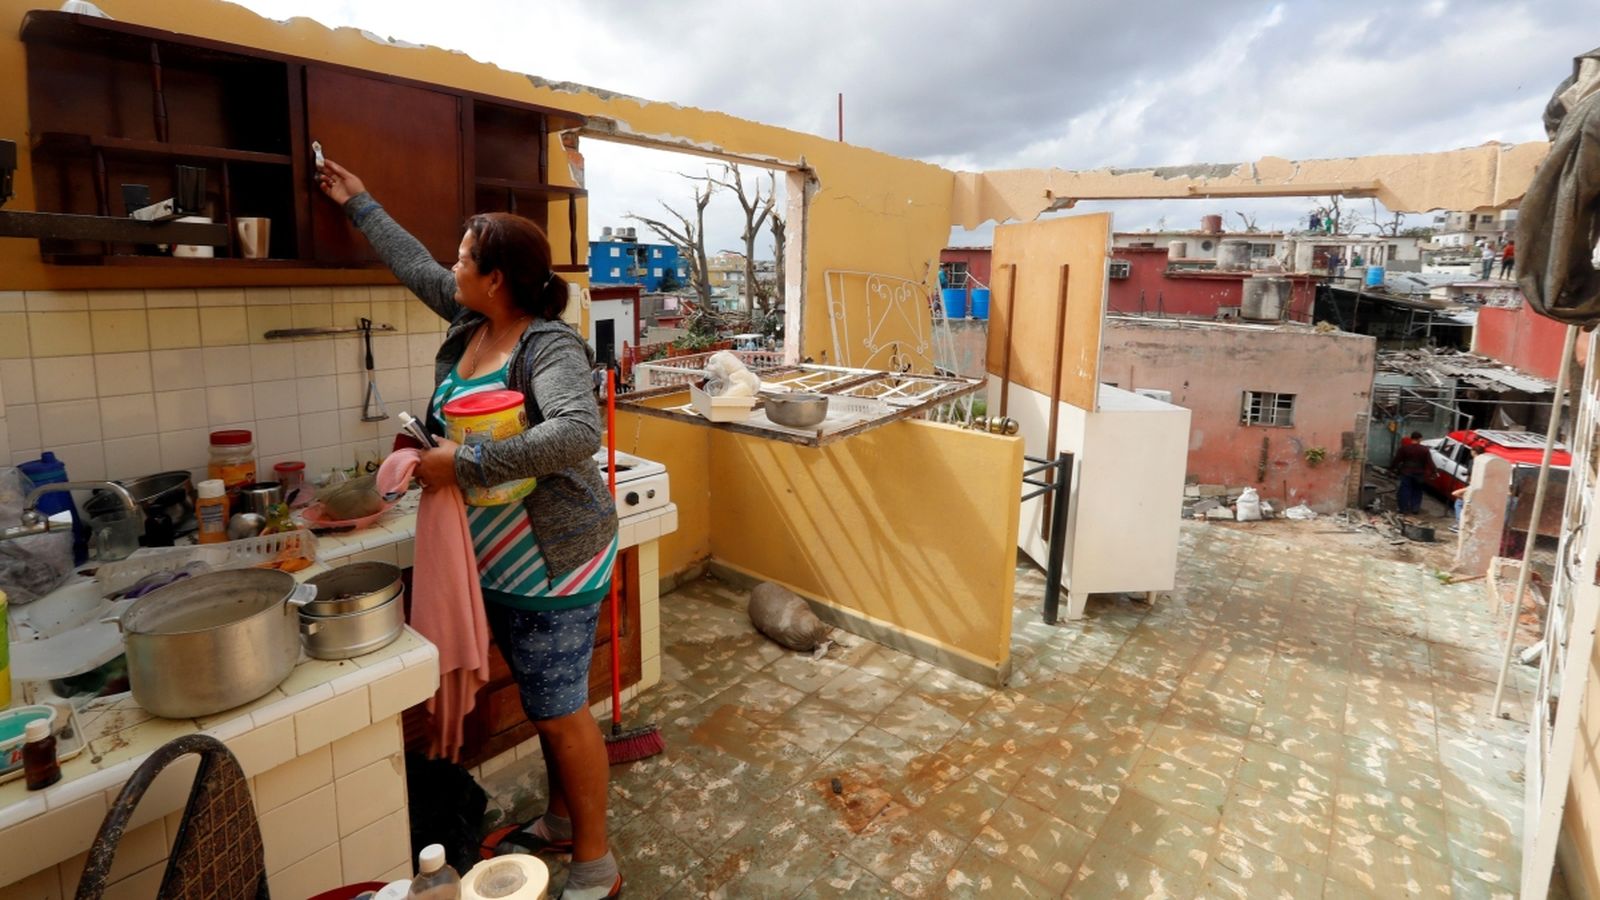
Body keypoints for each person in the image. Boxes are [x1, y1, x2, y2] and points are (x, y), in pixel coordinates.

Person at [317, 160, 623, 899]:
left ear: (498, 278)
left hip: (557, 561)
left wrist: (466, 463)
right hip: (497, 563)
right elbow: (414, 263)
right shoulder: (470, 323)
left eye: (464, 257)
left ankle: (597, 863)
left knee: (560, 712)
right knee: (552, 704)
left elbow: (578, 431)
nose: (450, 266)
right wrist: (359, 202)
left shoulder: (545, 345)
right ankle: (559, 819)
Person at [1393, 431, 1432, 515]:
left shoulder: (1404, 448)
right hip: (1419, 473)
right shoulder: (1425, 450)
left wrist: (1392, 468)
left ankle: (1403, 508)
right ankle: (1415, 508)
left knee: (1405, 490)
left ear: (1411, 438)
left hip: (1406, 472)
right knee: (1417, 490)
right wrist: (1434, 471)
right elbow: (1429, 462)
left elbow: (1397, 459)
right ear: (1420, 439)